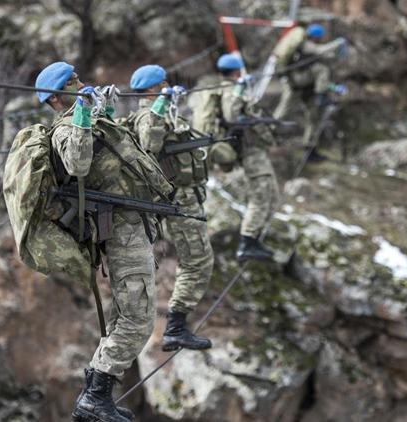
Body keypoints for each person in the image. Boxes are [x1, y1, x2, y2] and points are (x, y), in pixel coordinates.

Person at [35, 61, 174, 422]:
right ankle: (94, 396)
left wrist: (104, 111)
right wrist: (82, 111)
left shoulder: (90, 118)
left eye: (78, 77)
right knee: (138, 319)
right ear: (54, 99)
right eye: (71, 83)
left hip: (134, 224)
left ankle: (99, 395)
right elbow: (77, 163)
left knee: (126, 315)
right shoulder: (64, 129)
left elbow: (123, 152)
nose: (80, 83)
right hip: (120, 230)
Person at [126, 64, 213, 352]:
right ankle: (175, 327)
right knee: (197, 262)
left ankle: (177, 325)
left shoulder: (164, 112)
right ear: (151, 89)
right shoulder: (146, 115)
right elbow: (149, 141)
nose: (167, 87)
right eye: (162, 84)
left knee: (198, 261)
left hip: (189, 199)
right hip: (178, 202)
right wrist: (161, 103)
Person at [192, 53, 279, 261]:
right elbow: (232, 115)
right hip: (249, 150)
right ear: (238, 71)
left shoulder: (221, 88)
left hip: (247, 148)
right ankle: (248, 241)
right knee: (261, 195)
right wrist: (240, 89)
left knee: (271, 193)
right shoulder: (232, 89)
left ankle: (254, 238)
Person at [272, 23, 347, 161]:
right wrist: (337, 43)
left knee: (313, 117)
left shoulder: (309, 51)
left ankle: (310, 148)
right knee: (284, 111)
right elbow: (321, 52)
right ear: (316, 37)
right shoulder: (306, 45)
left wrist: (333, 88)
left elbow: (322, 69)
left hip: (306, 86)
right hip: (298, 83)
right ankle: (269, 133)